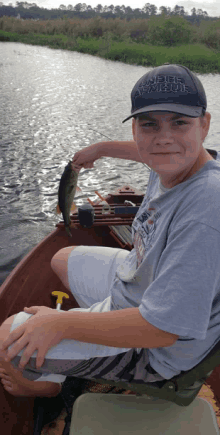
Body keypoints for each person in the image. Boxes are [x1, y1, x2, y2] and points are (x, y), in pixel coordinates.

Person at [1, 63, 220, 399]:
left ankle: (47, 388)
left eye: (180, 122)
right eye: (149, 125)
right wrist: (101, 149)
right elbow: (150, 151)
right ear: (135, 129)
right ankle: (86, 330)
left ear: (204, 125)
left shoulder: (206, 210)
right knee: (61, 258)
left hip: (156, 349)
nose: (164, 139)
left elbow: (161, 331)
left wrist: (60, 323)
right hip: (142, 286)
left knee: (9, 340)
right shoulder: (183, 159)